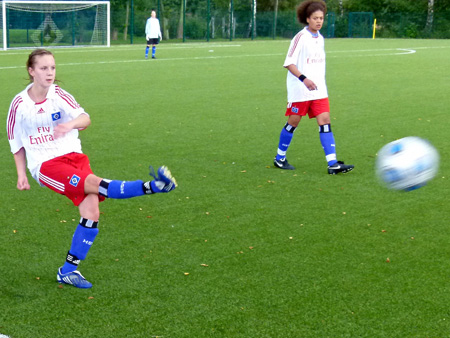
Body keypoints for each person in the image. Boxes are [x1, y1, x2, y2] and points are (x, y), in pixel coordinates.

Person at [6, 49, 177, 289]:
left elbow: (85, 118)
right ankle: (153, 187)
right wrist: (22, 175)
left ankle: (67, 271)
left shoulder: (60, 95)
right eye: (44, 68)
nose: (50, 73)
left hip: (75, 158)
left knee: (91, 214)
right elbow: (15, 141)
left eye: (53, 68)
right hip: (46, 165)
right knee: (97, 185)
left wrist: (70, 124)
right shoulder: (19, 105)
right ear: (31, 71)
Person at [273, 0, 354, 174]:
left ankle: (332, 164)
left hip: (319, 90)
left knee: (325, 121)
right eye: (315, 18)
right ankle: (279, 158)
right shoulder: (301, 37)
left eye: (321, 18)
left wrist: (316, 82)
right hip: (300, 89)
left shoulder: (321, 38)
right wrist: (304, 79)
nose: (319, 21)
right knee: (293, 122)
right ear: (307, 19)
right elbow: (288, 63)